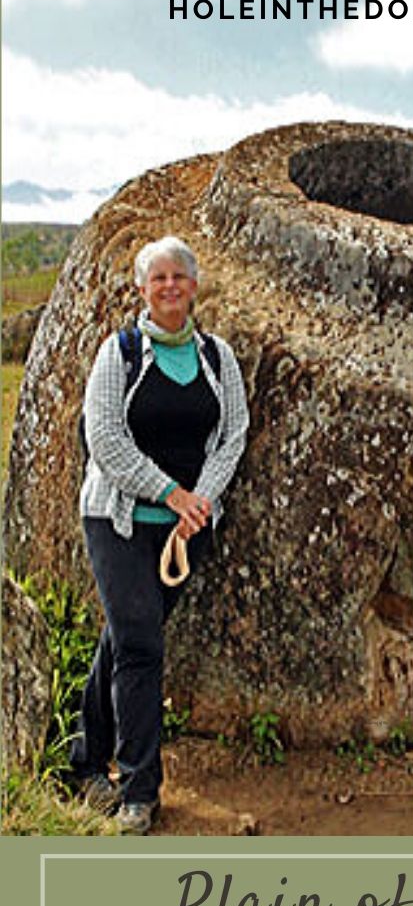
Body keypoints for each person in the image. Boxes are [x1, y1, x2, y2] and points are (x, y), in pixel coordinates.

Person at [71, 236, 249, 834]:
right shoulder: (117, 355)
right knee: (142, 643)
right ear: (143, 290)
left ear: (194, 287)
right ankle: (139, 792)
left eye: (180, 276)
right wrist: (171, 493)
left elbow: (233, 435)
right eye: (158, 278)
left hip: (185, 528)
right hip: (118, 519)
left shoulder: (218, 357)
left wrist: (200, 502)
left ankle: (83, 760)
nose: (170, 286)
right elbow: (106, 441)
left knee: (125, 637)